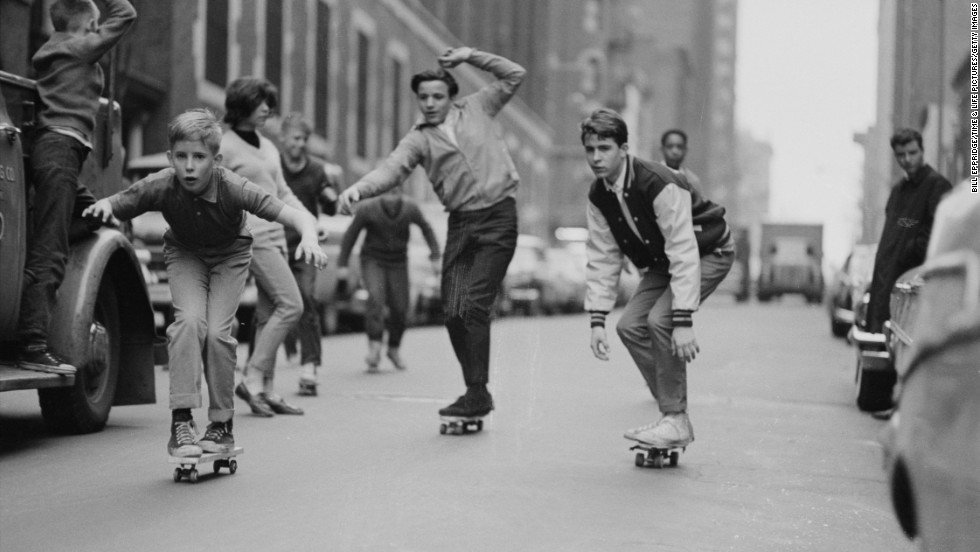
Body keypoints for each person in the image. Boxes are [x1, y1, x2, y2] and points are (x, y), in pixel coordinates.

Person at [82, 109, 327, 457]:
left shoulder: (234, 186)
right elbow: (120, 201)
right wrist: (102, 207)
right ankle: (181, 422)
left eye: (199, 157)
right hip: (185, 255)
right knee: (188, 324)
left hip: (230, 256)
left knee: (217, 334)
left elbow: (293, 213)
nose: (190, 166)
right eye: (181, 157)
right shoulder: (161, 184)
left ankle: (221, 425)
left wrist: (309, 238)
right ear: (170, 158)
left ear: (216, 159)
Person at [337, 46, 525, 419]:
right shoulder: (419, 139)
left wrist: (471, 56)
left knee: (472, 303)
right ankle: (477, 392)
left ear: (451, 97)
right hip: (461, 222)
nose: (430, 103)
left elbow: (514, 74)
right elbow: (391, 170)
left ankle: (476, 390)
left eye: (437, 96)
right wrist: (358, 189)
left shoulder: (479, 106)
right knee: (453, 310)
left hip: (498, 219)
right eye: (423, 97)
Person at [580, 108, 734, 450]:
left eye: (604, 148)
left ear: (623, 149)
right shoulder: (599, 195)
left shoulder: (658, 182)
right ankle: (671, 408)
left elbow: (683, 248)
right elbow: (603, 255)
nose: (596, 157)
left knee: (660, 320)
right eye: (590, 149)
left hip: (709, 251)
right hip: (665, 261)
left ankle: (675, 417)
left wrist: (683, 320)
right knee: (630, 326)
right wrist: (597, 319)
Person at [16, 0, 137, 374]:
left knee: (95, 215)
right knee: (51, 251)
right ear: (87, 25)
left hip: (57, 151)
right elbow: (127, 14)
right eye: (96, 25)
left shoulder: (59, 50)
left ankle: (34, 257)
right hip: (61, 151)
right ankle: (33, 343)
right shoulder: (78, 47)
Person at [220, 77, 307, 417]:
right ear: (242, 105)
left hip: (278, 236)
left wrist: (307, 222)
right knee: (292, 305)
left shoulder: (268, 146)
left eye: (269, 102)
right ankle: (251, 376)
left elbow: (282, 192)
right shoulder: (224, 146)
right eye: (261, 102)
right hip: (252, 236)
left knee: (269, 315)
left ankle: (266, 390)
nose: (268, 109)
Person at [338, 188, 441, 373]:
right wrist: (342, 265)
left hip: (398, 262)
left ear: (400, 194)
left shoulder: (410, 208)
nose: (391, 199)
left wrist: (435, 256)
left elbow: (427, 228)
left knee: (401, 306)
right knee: (375, 298)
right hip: (373, 260)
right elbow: (350, 235)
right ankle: (374, 348)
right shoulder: (368, 208)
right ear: (380, 196)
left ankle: (393, 348)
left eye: (394, 194)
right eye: (387, 195)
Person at [866, 128, 952, 334]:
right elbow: (899, 227)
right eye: (901, 155)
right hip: (888, 282)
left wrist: (907, 253)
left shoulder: (937, 186)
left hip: (911, 287)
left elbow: (933, 235)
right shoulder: (898, 191)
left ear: (922, 151)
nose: (907, 160)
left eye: (912, 153)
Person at [278, 113, 340, 395]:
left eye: (304, 139)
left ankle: (310, 366)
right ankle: (260, 370)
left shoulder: (316, 170)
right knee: (274, 303)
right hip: (277, 242)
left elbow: (330, 208)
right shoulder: (275, 166)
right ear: (283, 139)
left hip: (306, 244)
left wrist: (330, 197)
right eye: (295, 138)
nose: (300, 144)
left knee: (306, 298)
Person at [658, 129, 702, 193]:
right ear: (662, 149)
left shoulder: (692, 181)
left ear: (685, 150)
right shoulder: (652, 176)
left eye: (679, 147)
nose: (675, 151)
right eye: (670, 146)